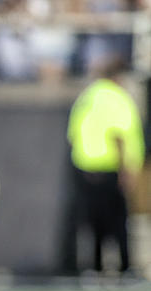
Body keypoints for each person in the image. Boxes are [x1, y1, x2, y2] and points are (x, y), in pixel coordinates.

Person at [66, 55, 145, 275]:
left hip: (84, 166)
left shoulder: (88, 96)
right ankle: (125, 268)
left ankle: (96, 267)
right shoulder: (116, 97)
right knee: (118, 222)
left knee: (94, 222)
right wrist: (126, 170)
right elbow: (117, 135)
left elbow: (72, 135)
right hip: (110, 167)